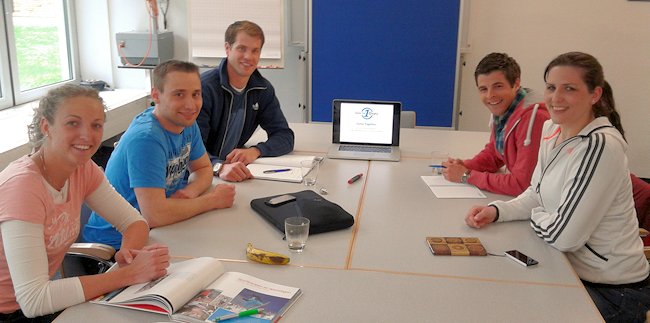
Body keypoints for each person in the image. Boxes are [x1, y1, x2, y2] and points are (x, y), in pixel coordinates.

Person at [465, 52, 650, 322]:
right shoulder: (552, 129)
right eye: (551, 87)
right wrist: (497, 211)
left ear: (595, 94)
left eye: (570, 89)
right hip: (570, 272)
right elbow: (534, 194)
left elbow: (565, 237)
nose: (556, 97)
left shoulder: (599, 147)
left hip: (612, 291)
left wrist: (538, 215)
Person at [0, 85, 169, 321]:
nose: (87, 135)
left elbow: (134, 222)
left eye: (96, 125)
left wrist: (128, 254)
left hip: (43, 302)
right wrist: (127, 275)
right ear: (46, 126)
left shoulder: (82, 168)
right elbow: (33, 299)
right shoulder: (23, 187)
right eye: (73, 123)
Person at [83, 60, 236, 249]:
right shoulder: (146, 139)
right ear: (156, 95)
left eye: (196, 94)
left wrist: (189, 192)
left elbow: (203, 168)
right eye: (179, 94)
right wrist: (211, 201)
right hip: (118, 244)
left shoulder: (185, 122)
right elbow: (154, 215)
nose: (190, 104)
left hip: (162, 227)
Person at [198, 20, 295, 182]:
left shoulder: (262, 90)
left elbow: (285, 136)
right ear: (227, 49)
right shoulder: (204, 88)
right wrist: (218, 167)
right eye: (241, 49)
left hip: (231, 173)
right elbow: (188, 148)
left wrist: (256, 150)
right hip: (198, 174)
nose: (249, 57)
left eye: (255, 50)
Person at [442, 53, 550, 196]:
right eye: (483, 89)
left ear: (516, 84)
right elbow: (495, 154)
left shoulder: (534, 118)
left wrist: (466, 176)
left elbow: (522, 185)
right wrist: (465, 165)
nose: (490, 95)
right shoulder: (504, 107)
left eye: (498, 86)